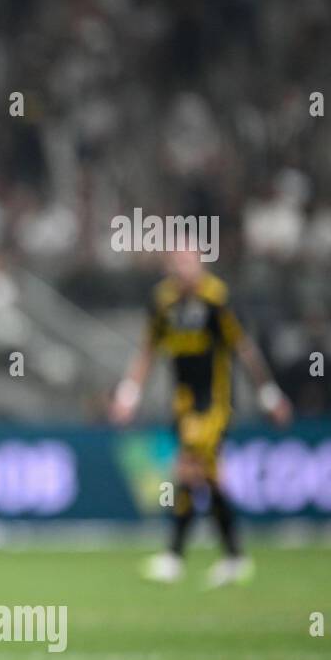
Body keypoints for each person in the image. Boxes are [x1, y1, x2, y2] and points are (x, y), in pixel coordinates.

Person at [110, 249, 291, 587]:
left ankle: (175, 556)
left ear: (200, 265)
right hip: (182, 403)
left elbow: (243, 348)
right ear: (169, 268)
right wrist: (128, 394)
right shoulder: (162, 301)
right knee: (205, 476)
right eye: (178, 262)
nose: (185, 269)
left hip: (215, 402)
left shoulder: (217, 298)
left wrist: (269, 394)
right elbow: (148, 349)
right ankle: (232, 556)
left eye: (190, 261)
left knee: (189, 468)